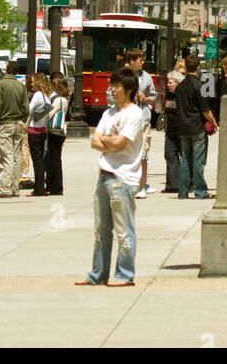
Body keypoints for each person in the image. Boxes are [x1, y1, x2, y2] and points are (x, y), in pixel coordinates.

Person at [76, 69, 143, 286]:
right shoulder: (108, 113)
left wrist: (105, 141)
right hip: (104, 175)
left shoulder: (134, 114)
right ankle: (98, 274)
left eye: (116, 86)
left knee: (124, 231)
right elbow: (94, 141)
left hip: (123, 178)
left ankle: (124, 274)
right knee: (101, 231)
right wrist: (107, 141)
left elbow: (120, 143)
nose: (112, 89)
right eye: (111, 85)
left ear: (129, 89)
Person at [174, 54, 217, 199]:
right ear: (198, 67)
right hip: (197, 127)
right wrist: (214, 123)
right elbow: (205, 110)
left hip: (183, 126)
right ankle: (200, 191)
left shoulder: (179, 87)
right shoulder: (199, 86)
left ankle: (183, 191)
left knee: (185, 159)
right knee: (198, 159)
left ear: (185, 67)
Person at [0, 61, 28, 198]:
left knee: (6, 157)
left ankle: (5, 189)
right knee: (17, 156)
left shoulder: (1, 85)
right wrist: (22, 120)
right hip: (18, 124)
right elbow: (26, 109)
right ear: (17, 71)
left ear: (6, 70)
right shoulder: (21, 86)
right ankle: (14, 188)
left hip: (5, 123)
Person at [123, 48, 156, 199]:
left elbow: (154, 96)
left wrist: (145, 98)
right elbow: (110, 97)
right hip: (125, 121)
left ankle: (141, 187)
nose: (143, 62)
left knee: (142, 155)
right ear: (130, 61)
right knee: (126, 154)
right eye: (139, 60)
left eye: (143, 59)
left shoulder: (147, 77)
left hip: (143, 120)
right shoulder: (120, 76)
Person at [26, 72, 53, 196]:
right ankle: (40, 187)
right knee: (40, 161)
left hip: (34, 131)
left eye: (33, 81)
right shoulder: (46, 96)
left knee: (36, 161)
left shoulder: (37, 95)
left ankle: (38, 189)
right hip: (42, 130)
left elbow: (28, 110)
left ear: (38, 82)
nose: (31, 84)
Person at [45, 75, 70, 196]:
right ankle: (55, 186)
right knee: (56, 159)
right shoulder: (64, 100)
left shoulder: (58, 100)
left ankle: (56, 186)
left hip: (54, 132)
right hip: (60, 133)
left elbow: (50, 114)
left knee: (53, 160)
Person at [162, 66, 184, 194]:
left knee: (185, 157)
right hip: (170, 131)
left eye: (171, 82)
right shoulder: (168, 93)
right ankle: (172, 185)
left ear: (178, 83)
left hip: (182, 130)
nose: (168, 85)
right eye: (168, 82)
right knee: (170, 155)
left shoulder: (183, 95)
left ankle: (186, 184)